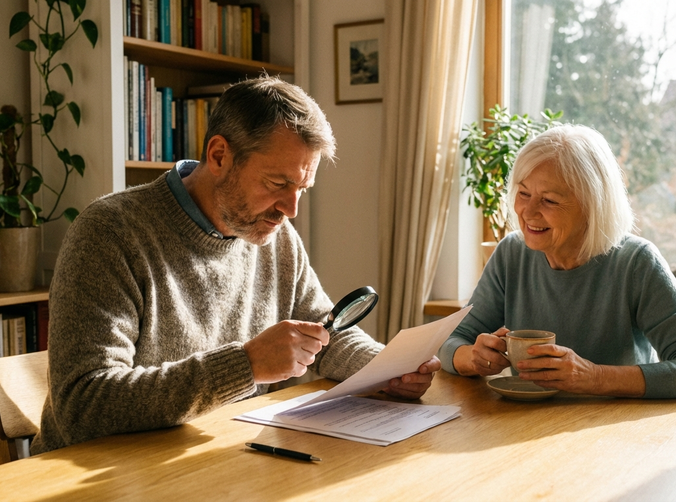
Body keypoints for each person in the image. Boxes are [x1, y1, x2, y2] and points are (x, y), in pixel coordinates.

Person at [31, 76, 440, 454]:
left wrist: (390, 369)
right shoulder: (110, 232)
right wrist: (244, 365)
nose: (290, 209)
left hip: (213, 462)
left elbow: (325, 335)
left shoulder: (276, 239)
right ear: (220, 155)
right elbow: (83, 406)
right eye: (278, 184)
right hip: (98, 478)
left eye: (302, 188)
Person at [438, 124, 676, 398]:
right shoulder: (512, 253)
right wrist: (472, 358)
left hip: (613, 434)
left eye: (548, 200)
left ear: (592, 205)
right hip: (525, 428)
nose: (528, 211)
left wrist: (593, 376)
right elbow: (451, 341)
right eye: (523, 193)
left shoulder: (636, 263)